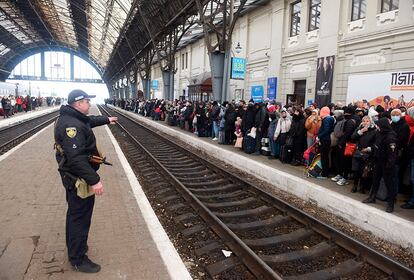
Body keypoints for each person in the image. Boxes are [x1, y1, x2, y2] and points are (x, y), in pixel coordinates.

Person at [54, 89, 117, 273]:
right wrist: (95, 181)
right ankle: (78, 259)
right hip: (78, 178)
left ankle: (76, 247)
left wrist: (107, 119)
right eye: (87, 101)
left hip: (73, 176)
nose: (89, 104)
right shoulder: (71, 126)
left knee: (75, 214)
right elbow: (76, 158)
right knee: (80, 218)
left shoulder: (74, 118)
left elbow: (89, 122)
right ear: (78, 103)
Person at [362, 118, 398, 213]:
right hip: (378, 161)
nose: (377, 127)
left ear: (383, 126)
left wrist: (389, 165)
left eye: (378, 125)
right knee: (375, 180)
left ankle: (391, 204)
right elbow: (376, 145)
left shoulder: (391, 136)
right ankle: (372, 197)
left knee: (389, 184)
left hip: (387, 163)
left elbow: (392, 154)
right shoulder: (379, 133)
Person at [317, 106, 335, 179]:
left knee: (324, 157)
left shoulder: (326, 119)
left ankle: (324, 174)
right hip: (327, 139)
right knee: (326, 157)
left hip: (325, 140)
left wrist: (319, 136)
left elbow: (326, 130)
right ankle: (325, 172)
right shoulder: (330, 118)